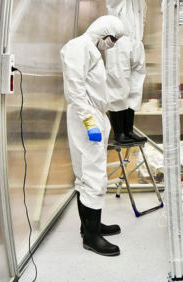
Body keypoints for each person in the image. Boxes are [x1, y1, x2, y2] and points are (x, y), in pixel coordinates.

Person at [61, 15, 125, 257]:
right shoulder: (79, 46)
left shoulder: (90, 49)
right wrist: (89, 121)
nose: (113, 44)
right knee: (93, 175)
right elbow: (74, 87)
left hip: (92, 115)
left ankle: (90, 226)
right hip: (85, 116)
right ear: (102, 33)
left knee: (89, 173)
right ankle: (91, 238)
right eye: (112, 39)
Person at [106, 0, 166, 144]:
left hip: (135, 45)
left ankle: (128, 130)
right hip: (120, 44)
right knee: (118, 85)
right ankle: (119, 133)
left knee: (134, 87)